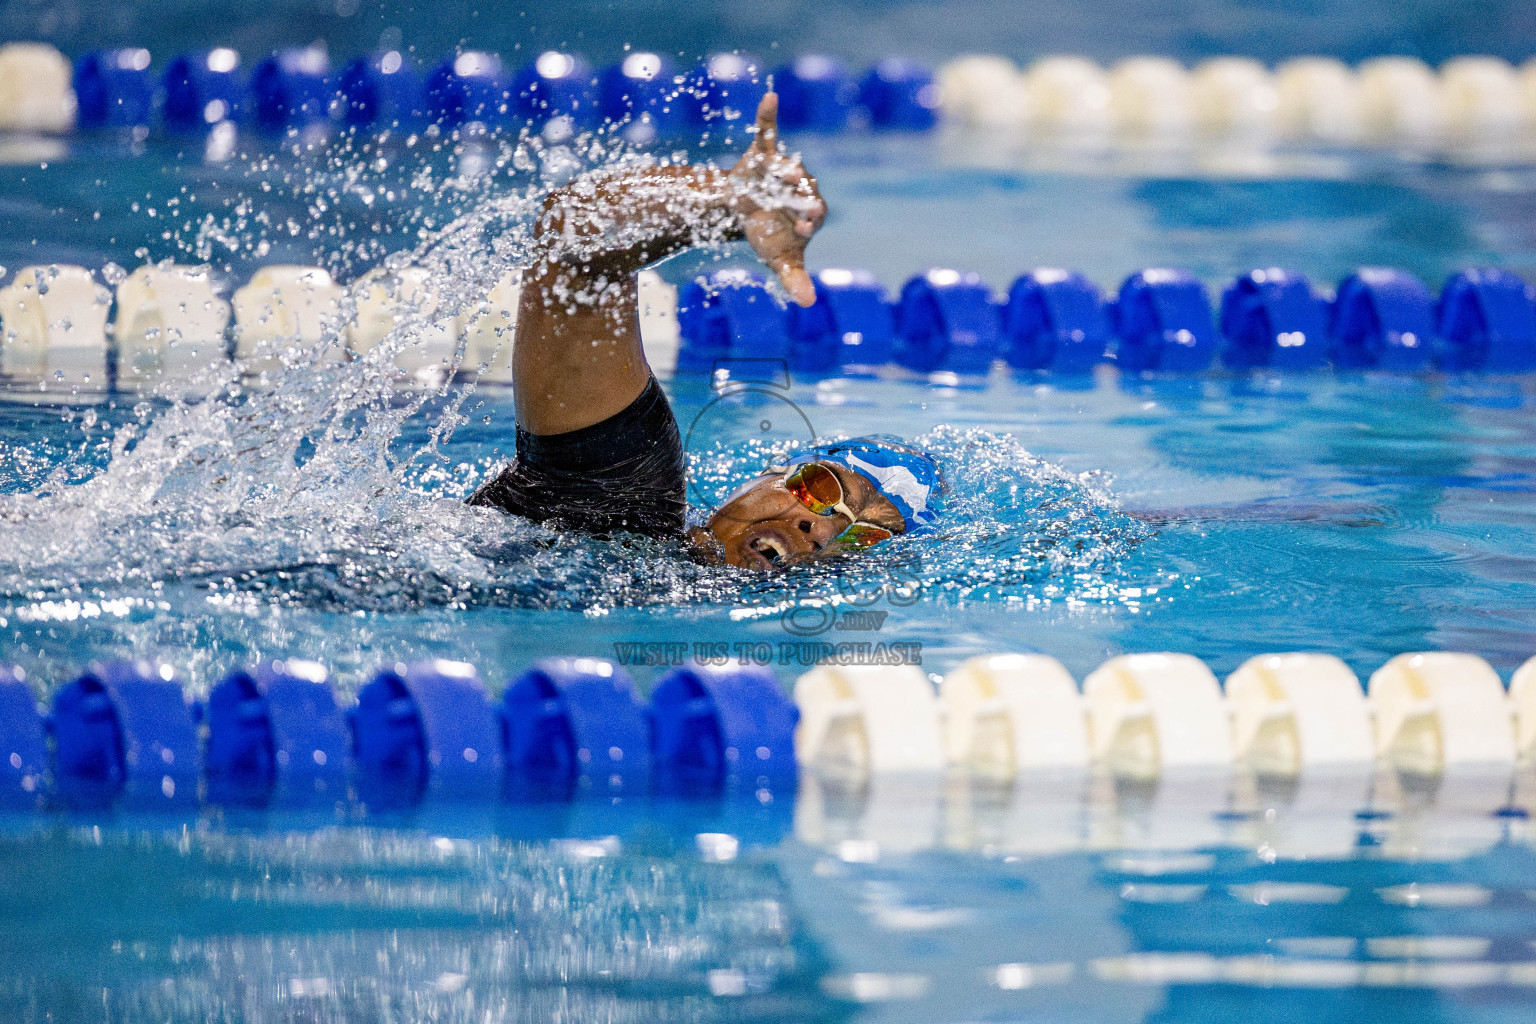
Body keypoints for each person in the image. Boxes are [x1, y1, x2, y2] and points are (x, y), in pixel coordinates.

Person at [469, 93, 943, 570]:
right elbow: (574, 234)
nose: (821, 529)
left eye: (865, 537)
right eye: (821, 487)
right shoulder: (614, 503)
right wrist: (728, 205)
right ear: (763, 479)